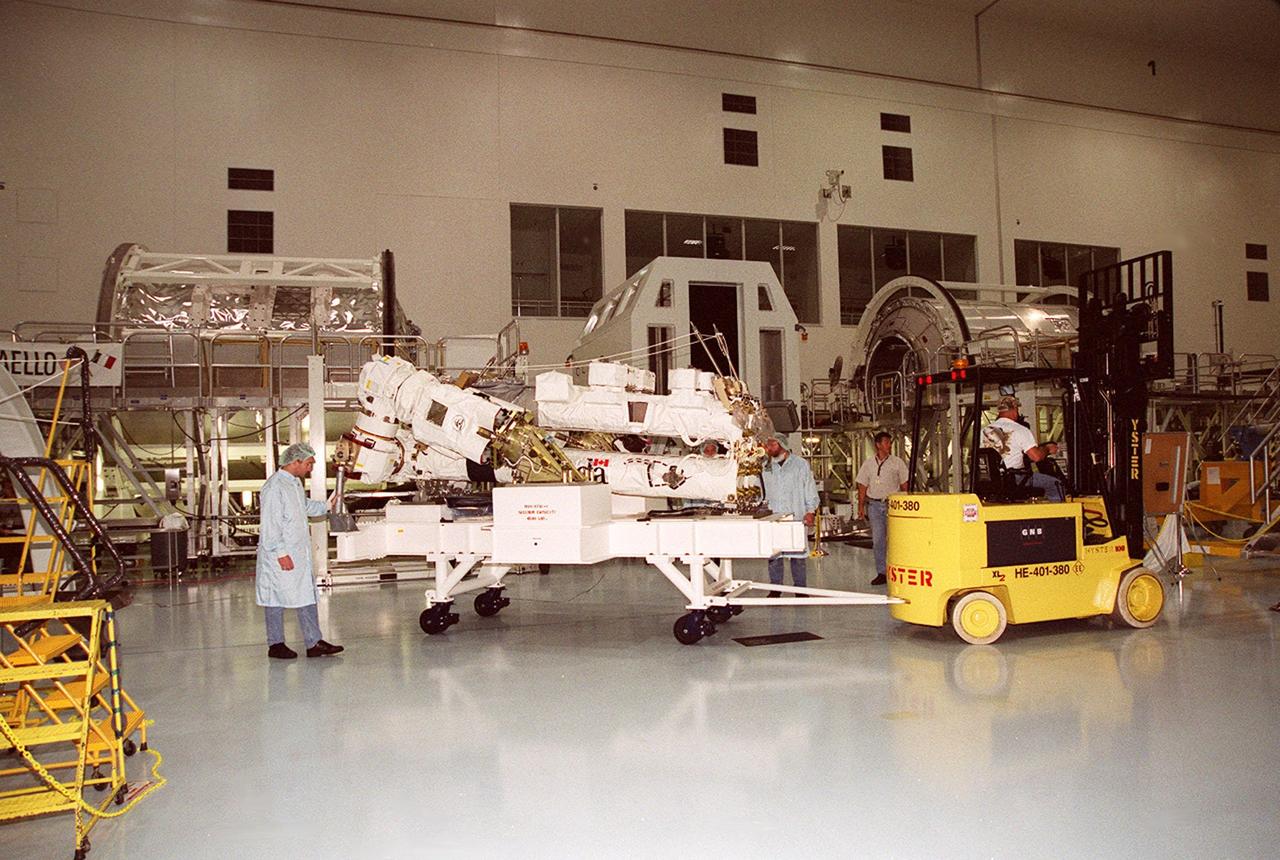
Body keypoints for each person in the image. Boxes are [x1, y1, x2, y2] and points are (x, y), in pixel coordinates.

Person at [257, 442, 344, 660]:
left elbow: (303, 507)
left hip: (297, 553)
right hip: (280, 554)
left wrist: (326, 505)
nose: (310, 468)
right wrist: (280, 553)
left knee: (306, 595)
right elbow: (270, 525)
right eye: (308, 463)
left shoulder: (293, 483)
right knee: (274, 598)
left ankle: (314, 642)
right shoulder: (274, 487)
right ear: (295, 462)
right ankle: (275, 644)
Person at [761, 435, 819, 596]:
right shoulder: (765, 466)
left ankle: (800, 589)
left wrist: (810, 511)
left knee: (798, 555)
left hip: (796, 515)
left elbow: (809, 488)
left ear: (781, 445)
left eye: (772, 444)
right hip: (773, 517)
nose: (769, 448)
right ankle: (776, 589)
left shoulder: (800, 465)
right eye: (768, 445)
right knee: (773, 556)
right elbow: (760, 490)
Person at [980, 395, 1065, 502]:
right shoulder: (1020, 429)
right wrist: (1047, 449)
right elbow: (1036, 457)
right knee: (1056, 484)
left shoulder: (983, 432)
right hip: (1014, 479)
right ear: (1015, 410)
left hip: (991, 480)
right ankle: (1057, 516)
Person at [856, 431, 910, 586]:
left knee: (895, 540)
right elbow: (862, 485)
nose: (889, 445)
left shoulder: (897, 463)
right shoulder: (868, 464)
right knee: (878, 541)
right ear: (878, 445)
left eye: (890, 443)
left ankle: (898, 571)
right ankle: (881, 572)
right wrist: (861, 506)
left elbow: (904, 485)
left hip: (892, 506)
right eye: (886, 443)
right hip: (874, 505)